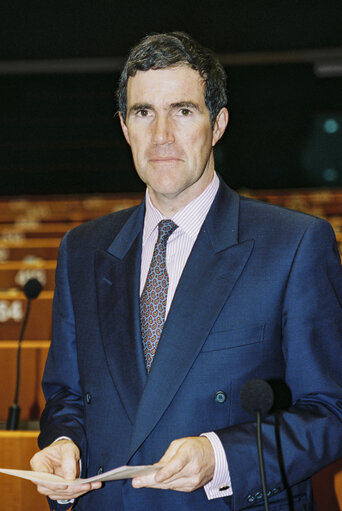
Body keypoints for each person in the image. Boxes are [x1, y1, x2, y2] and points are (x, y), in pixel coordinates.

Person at [30, 32, 342, 511]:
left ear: (217, 125)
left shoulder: (295, 244)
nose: (161, 136)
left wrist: (220, 457)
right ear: (124, 127)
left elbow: (330, 412)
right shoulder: (83, 249)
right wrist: (63, 446)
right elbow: (68, 396)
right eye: (143, 113)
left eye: (183, 111)